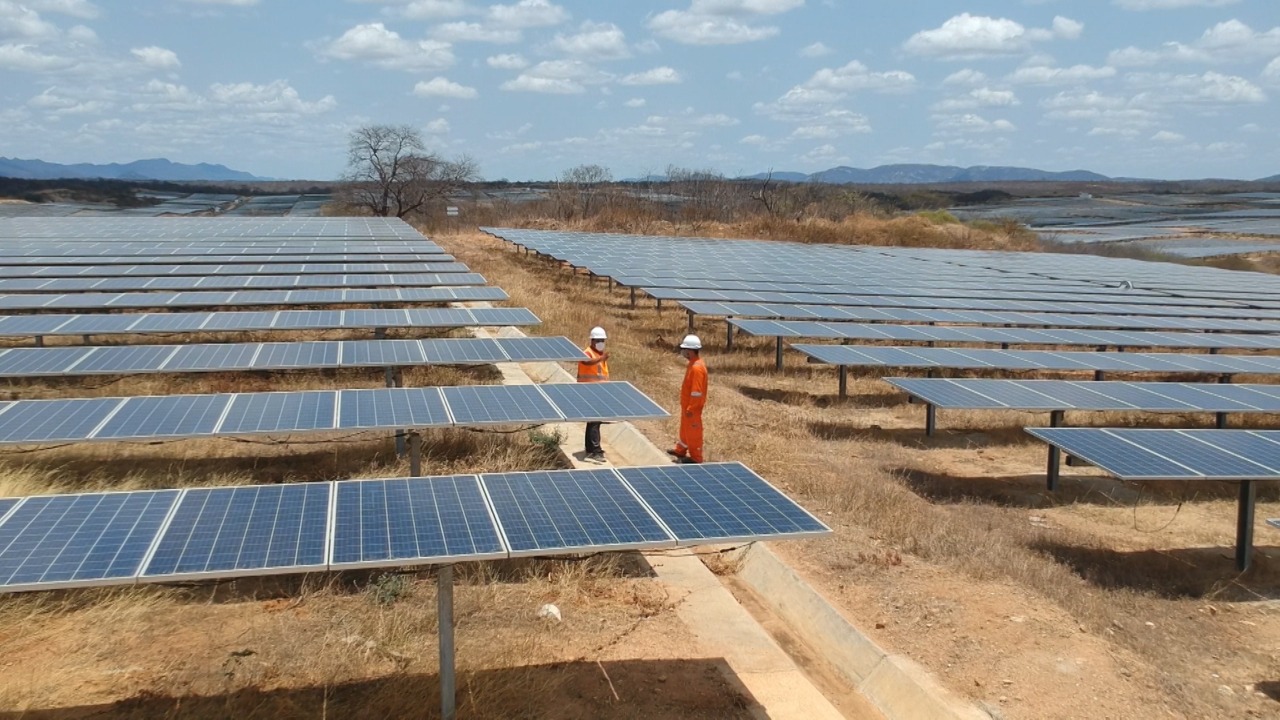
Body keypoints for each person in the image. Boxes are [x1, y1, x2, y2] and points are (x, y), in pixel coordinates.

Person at [668, 334, 707, 464]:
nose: (683, 352)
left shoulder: (697, 368)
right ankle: (681, 450)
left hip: (692, 408)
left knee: (693, 432)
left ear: (690, 351)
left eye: (685, 349)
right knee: (685, 429)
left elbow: (697, 392)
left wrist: (692, 407)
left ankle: (696, 457)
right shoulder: (692, 364)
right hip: (687, 405)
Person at [576, 326, 610, 461]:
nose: (601, 342)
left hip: (599, 392)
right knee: (594, 422)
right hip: (589, 392)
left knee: (594, 422)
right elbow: (586, 361)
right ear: (592, 341)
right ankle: (596, 450)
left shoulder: (600, 354)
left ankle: (590, 448)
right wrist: (601, 359)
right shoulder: (588, 352)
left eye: (602, 340)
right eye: (598, 340)